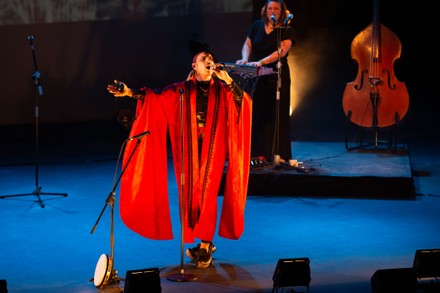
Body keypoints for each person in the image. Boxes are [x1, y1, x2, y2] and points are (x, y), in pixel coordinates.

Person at [107, 35, 252, 269]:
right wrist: (129, 93)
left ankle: (205, 245)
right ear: (194, 66)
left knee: (208, 194)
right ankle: (201, 242)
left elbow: (242, 102)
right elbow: (154, 97)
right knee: (190, 195)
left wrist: (229, 80)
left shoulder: (223, 89)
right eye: (204, 58)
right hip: (188, 149)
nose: (209, 60)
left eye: (211, 58)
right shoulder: (181, 90)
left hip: (213, 149)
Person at [236, 0, 295, 164]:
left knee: (276, 114)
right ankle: (256, 153)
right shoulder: (256, 25)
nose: (273, 11)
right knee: (256, 112)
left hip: (277, 75)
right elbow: (247, 44)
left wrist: (261, 62)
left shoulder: (286, 30)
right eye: (270, 8)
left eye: (276, 8)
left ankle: (277, 153)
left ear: (281, 11)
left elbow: (281, 52)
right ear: (265, 10)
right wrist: (245, 59)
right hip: (257, 74)